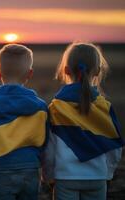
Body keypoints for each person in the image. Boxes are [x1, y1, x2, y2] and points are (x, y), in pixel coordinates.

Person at [43, 42, 124, 200]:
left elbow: (49, 147)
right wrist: (107, 172)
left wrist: (49, 175)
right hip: (97, 177)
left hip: (65, 178)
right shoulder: (104, 108)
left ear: (66, 71)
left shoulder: (56, 108)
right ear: (98, 71)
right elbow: (115, 147)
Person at [0, 44, 48, 200]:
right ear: (29, 74)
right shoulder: (41, 107)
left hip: (0, 170)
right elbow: (45, 141)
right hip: (30, 169)